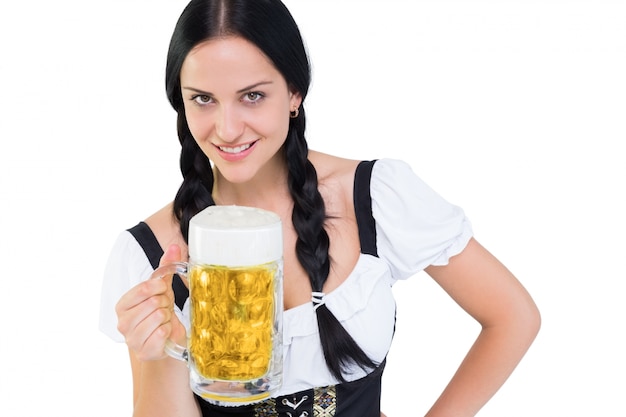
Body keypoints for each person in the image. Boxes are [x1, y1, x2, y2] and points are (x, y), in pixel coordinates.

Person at [99, 0, 541, 415]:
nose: (228, 129)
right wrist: (155, 352)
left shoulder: (371, 196)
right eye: (203, 98)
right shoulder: (149, 255)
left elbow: (512, 318)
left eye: (252, 95)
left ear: (295, 93)